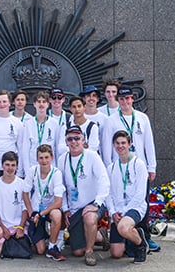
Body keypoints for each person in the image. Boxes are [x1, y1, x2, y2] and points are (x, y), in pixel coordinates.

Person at [102, 87, 159, 252]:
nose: (125, 102)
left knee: (142, 203)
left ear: (132, 99)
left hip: (139, 167)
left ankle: (145, 236)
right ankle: (127, 239)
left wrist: (152, 166)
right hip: (118, 168)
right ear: (118, 101)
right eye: (121, 99)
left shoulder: (142, 118)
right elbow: (107, 147)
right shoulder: (111, 120)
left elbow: (149, 143)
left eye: (127, 99)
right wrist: (109, 170)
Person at [58, 125, 110, 266]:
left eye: (77, 138)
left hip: (92, 203)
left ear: (83, 140)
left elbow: (104, 180)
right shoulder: (62, 159)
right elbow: (60, 187)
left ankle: (90, 251)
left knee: (89, 217)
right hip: (74, 208)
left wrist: (96, 204)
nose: (74, 142)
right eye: (70, 139)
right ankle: (100, 236)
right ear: (66, 141)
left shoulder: (92, 156)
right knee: (76, 252)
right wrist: (65, 209)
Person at [106, 130, 149, 263]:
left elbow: (140, 194)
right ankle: (132, 234)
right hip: (117, 211)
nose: (120, 146)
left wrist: (125, 213)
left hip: (134, 208)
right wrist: (113, 212)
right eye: (117, 143)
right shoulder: (111, 167)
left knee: (123, 227)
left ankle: (141, 244)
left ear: (130, 144)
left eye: (124, 143)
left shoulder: (139, 165)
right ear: (114, 145)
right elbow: (108, 194)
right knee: (116, 253)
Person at [22, 144, 66, 261]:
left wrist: (41, 214)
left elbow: (58, 202)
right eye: (41, 158)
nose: (44, 161)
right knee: (40, 250)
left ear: (52, 157)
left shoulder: (56, 173)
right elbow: (25, 193)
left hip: (49, 209)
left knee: (56, 214)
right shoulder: (33, 171)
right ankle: (46, 236)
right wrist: (32, 213)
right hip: (36, 209)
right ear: (37, 159)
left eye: (46, 157)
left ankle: (52, 247)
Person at [0, 151, 28, 256]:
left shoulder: (22, 184)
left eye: (13, 165)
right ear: (2, 165)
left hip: (18, 227)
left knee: (36, 249)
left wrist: (20, 227)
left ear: (17, 167)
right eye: (7, 165)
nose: (10, 168)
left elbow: (25, 208)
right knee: (2, 250)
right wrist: (3, 228)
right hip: (2, 227)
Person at [22, 90, 65, 172]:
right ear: (34, 104)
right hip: (33, 165)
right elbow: (25, 149)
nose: (41, 104)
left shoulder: (54, 123)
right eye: (39, 101)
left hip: (50, 166)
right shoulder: (28, 124)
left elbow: (56, 148)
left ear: (48, 104)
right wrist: (27, 170)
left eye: (44, 102)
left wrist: (56, 168)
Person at [80, 85, 108, 164]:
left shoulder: (104, 119)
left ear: (98, 99)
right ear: (84, 98)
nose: (91, 98)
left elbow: (105, 141)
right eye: (88, 96)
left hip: (98, 158)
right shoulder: (75, 117)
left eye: (94, 96)